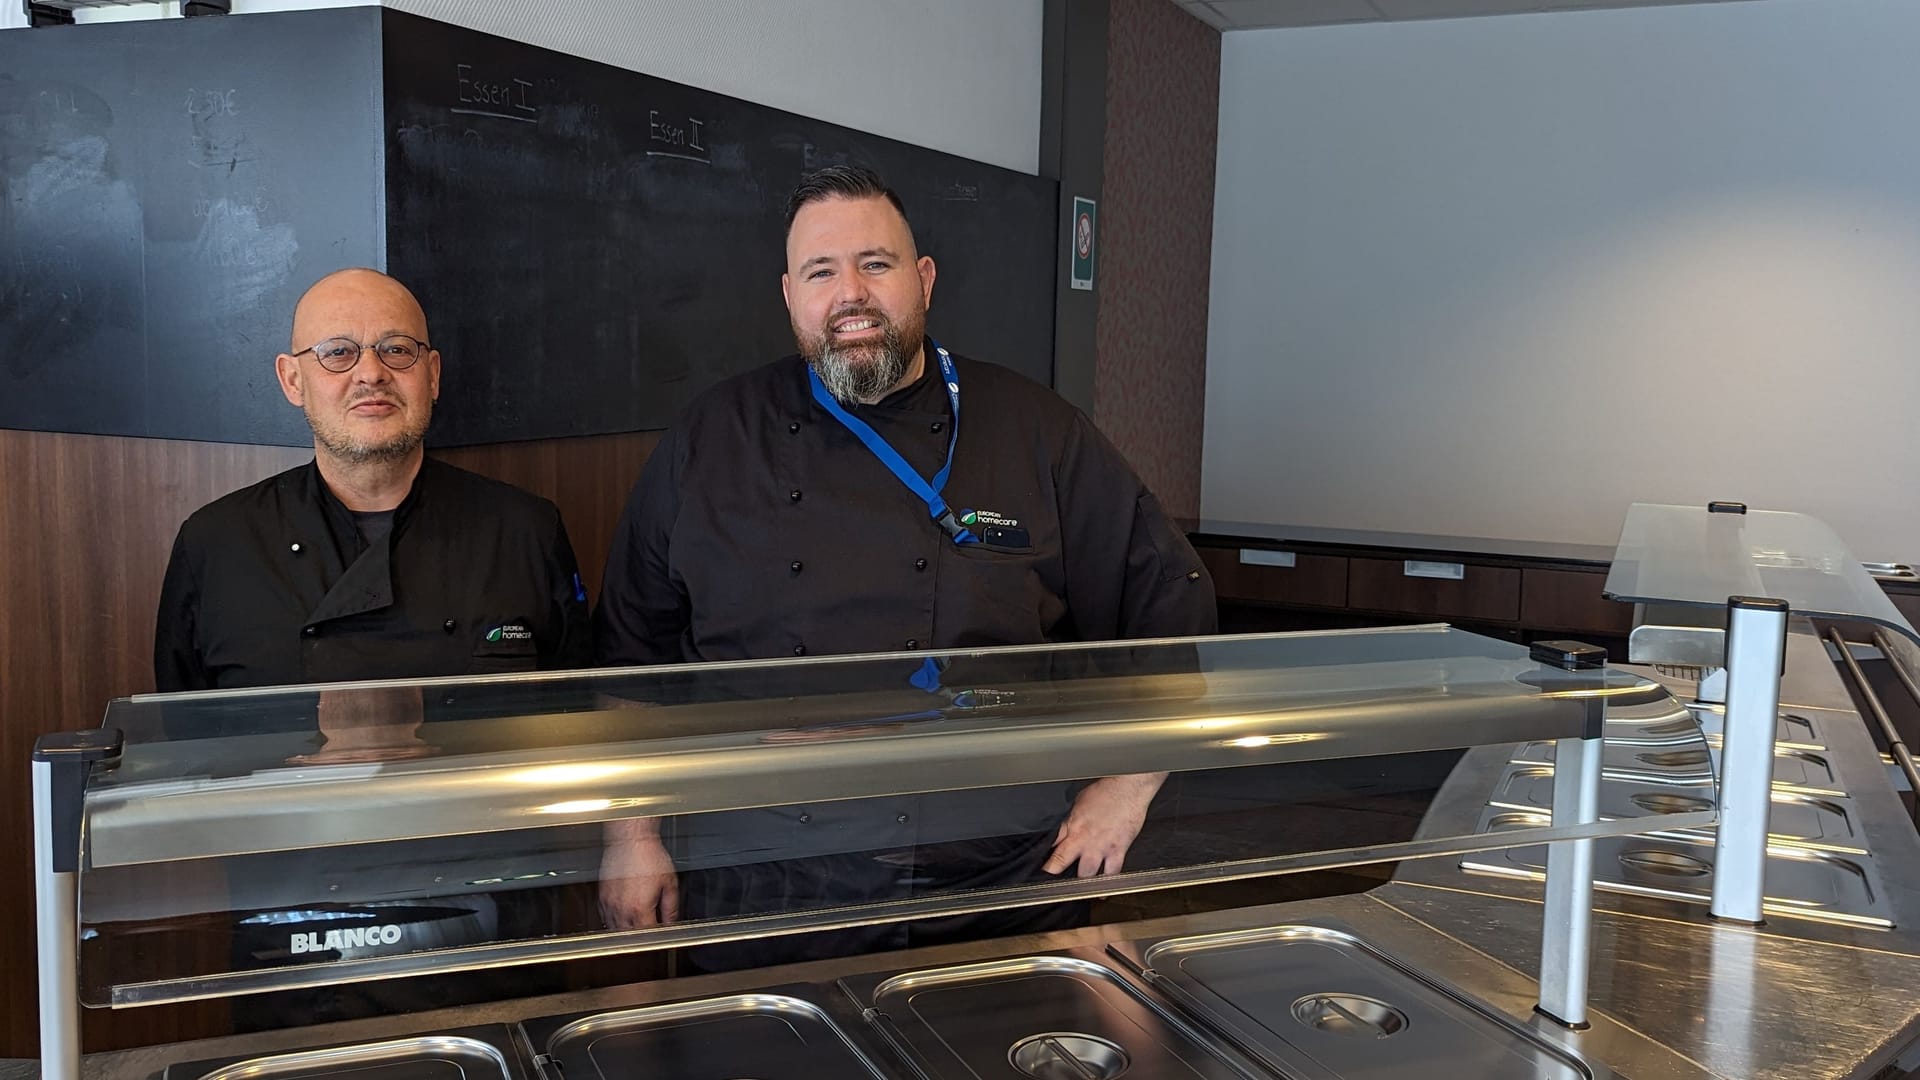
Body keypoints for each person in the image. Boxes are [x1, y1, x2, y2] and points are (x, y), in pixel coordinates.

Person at [593, 165, 1217, 959]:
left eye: (875, 264)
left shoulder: (1035, 430)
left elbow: (1169, 602)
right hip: (766, 880)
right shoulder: (711, 440)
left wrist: (1127, 791)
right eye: (822, 271)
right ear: (791, 297)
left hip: (1000, 874)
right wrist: (631, 835)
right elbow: (630, 662)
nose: (850, 293)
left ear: (922, 280)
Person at [154, 268, 591, 692]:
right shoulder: (215, 544)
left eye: (397, 350)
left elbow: (572, 718)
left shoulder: (526, 530)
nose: (371, 373)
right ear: (293, 380)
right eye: (338, 352)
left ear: (433, 375)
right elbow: (188, 741)